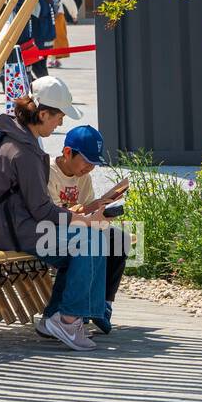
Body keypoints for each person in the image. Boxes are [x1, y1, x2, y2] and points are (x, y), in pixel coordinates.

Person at [0, 75, 112, 351]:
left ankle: (59, 317)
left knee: (90, 240)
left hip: (13, 227)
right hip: (12, 231)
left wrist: (79, 221)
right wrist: (81, 219)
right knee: (89, 241)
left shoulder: (19, 139)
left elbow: (38, 208)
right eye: (58, 117)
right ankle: (68, 318)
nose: (61, 123)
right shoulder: (23, 151)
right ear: (42, 114)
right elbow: (41, 209)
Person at [41, 124, 130, 335]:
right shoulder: (49, 173)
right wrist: (85, 213)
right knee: (87, 242)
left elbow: (86, 207)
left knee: (118, 239)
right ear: (67, 152)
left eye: (94, 163)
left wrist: (102, 208)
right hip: (52, 231)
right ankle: (70, 312)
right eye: (87, 162)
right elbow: (53, 214)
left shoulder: (84, 177)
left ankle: (104, 305)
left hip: (78, 226)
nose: (89, 168)